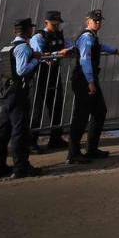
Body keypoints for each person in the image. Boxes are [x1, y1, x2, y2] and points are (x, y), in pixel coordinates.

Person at [67, 9, 119, 164]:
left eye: (100, 20)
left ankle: (92, 149)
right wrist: (90, 82)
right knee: (81, 116)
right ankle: (73, 153)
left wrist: (114, 50)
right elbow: (85, 59)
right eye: (95, 20)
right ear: (88, 21)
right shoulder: (87, 37)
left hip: (88, 79)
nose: (98, 23)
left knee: (100, 111)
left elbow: (99, 47)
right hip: (84, 79)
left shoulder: (92, 37)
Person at [0, 18, 43, 179]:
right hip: (17, 92)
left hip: (6, 92)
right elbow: (22, 70)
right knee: (19, 131)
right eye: (30, 29)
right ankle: (21, 167)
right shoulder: (23, 48)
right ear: (28, 31)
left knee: (3, 132)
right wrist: (36, 59)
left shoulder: (9, 47)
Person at [29, 10, 72, 150]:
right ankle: (31, 142)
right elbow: (39, 55)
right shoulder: (38, 37)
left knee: (56, 107)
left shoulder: (60, 35)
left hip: (54, 75)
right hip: (41, 76)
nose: (56, 26)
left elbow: (70, 45)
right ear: (46, 23)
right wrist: (57, 54)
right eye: (54, 24)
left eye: (58, 23)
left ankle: (55, 138)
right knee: (37, 110)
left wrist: (72, 50)